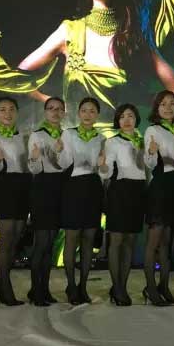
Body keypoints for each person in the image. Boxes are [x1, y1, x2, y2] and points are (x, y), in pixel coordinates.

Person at [12, 0, 174, 125]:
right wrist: (51, 103)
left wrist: (148, 103)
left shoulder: (133, 36)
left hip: (119, 138)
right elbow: (17, 77)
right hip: (73, 137)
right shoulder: (70, 31)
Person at [56, 97, 106, 305]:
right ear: (78, 113)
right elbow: (63, 164)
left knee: (88, 239)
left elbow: (103, 171)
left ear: (97, 115)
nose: (88, 114)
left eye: (92, 111)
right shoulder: (69, 134)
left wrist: (102, 167)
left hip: (93, 187)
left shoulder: (101, 138)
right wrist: (60, 151)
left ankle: (83, 286)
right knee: (72, 237)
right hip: (74, 187)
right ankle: (70, 285)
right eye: (84, 110)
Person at [0, 96, 31, 306]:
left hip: (24, 186)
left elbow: (30, 165)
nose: (8, 113)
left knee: (16, 238)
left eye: (11, 109)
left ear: (17, 112)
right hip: (6, 186)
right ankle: (5, 287)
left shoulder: (25, 137)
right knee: (6, 238)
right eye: (2, 109)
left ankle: (0, 282)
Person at [99, 104, 147, 306]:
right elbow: (106, 173)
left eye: (130, 116)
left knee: (130, 241)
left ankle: (122, 286)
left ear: (136, 119)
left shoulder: (143, 141)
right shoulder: (112, 142)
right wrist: (102, 166)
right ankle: (117, 287)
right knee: (117, 240)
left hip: (138, 192)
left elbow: (147, 168)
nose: (126, 120)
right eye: (122, 117)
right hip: (119, 191)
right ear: (117, 121)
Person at [143, 90, 174, 306]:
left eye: (172, 103)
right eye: (163, 104)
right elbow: (149, 164)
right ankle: (150, 288)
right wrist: (151, 152)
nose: (168, 107)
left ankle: (164, 286)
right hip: (160, 187)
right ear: (157, 108)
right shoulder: (153, 130)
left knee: (168, 242)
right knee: (154, 242)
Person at [27, 96, 66, 306]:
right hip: (42, 188)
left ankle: (45, 289)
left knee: (51, 244)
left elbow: (66, 165)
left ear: (64, 113)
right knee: (41, 243)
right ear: (45, 112)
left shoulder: (66, 135)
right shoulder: (38, 135)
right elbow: (34, 168)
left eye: (59, 109)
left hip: (60, 189)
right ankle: (36, 291)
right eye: (51, 108)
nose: (55, 112)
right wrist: (37, 157)